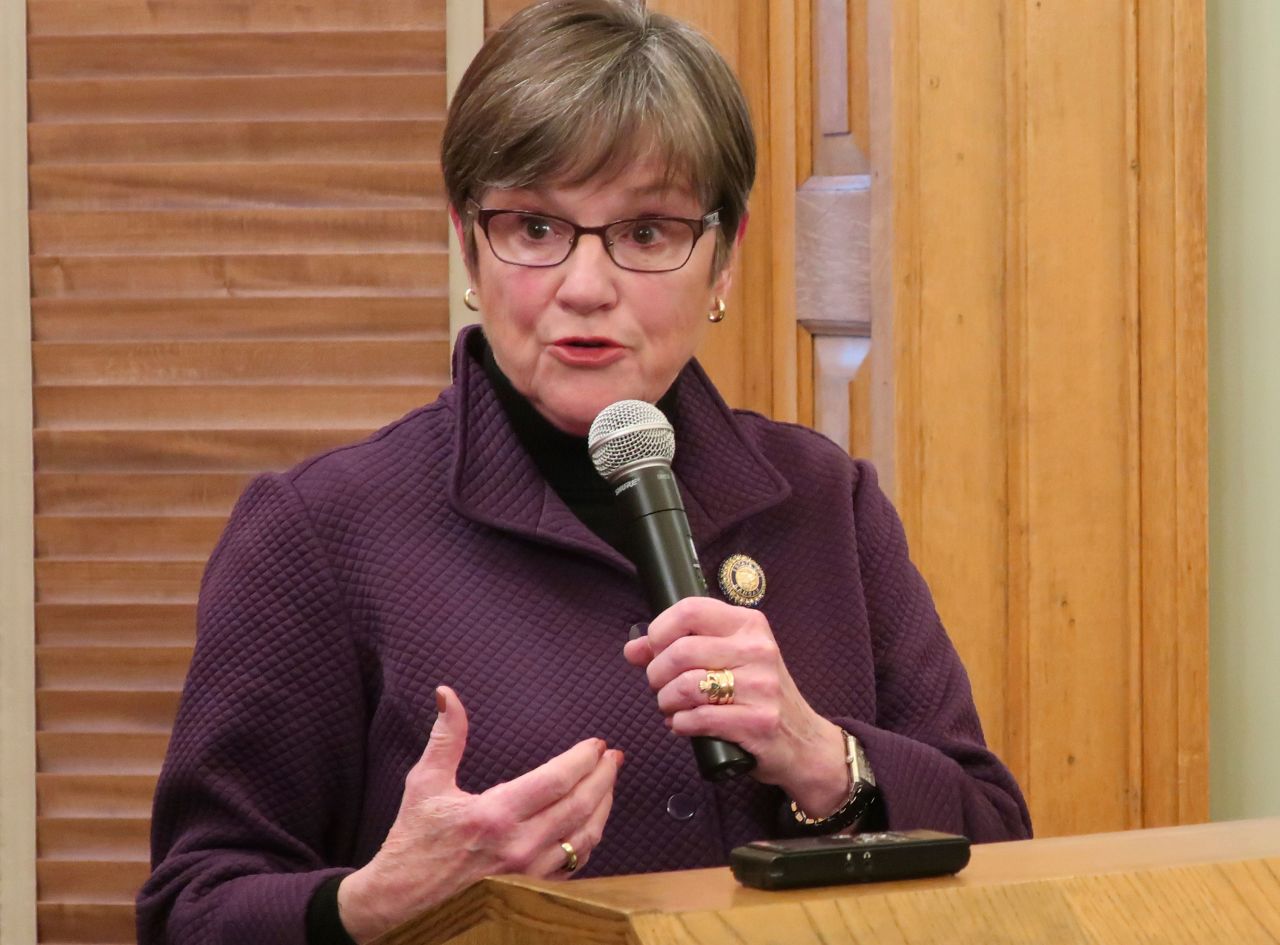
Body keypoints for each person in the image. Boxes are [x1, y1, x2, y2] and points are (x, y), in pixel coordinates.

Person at [137, 1, 1031, 942]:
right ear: (467, 243)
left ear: (724, 256)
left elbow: (999, 842)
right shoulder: (321, 528)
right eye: (534, 227)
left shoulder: (825, 502)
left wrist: (826, 757)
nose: (587, 286)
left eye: (647, 233)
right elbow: (191, 910)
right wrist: (373, 901)